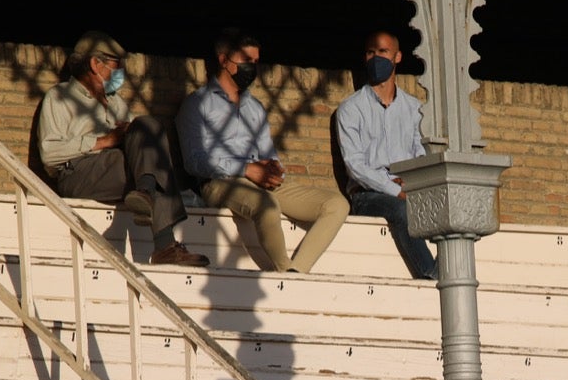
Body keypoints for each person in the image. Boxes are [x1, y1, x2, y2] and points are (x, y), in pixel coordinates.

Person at [177, 28, 349, 273]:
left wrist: (273, 168)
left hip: (261, 180)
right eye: (246, 61)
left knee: (336, 204)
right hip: (220, 181)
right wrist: (246, 169)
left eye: (256, 62)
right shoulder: (197, 104)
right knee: (267, 207)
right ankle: (283, 270)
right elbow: (194, 160)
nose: (252, 68)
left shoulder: (255, 107)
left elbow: (268, 152)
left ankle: (296, 272)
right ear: (224, 60)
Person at [37, 31, 208, 268]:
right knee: (155, 165)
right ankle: (164, 239)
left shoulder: (116, 101)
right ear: (96, 64)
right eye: (116, 66)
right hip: (80, 173)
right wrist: (105, 141)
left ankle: (146, 193)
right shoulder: (59, 96)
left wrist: (131, 133)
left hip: (120, 168)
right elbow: (49, 153)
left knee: (148, 125)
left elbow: (141, 143)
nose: (120, 73)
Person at [332, 30, 437, 280]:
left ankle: (451, 266)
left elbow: (419, 155)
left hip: (407, 190)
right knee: (401, 210)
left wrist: (409, 184)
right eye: (370, 52)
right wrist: (394, 188)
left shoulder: (414, 109)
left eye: (383, 52)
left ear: (397, 57)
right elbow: (354, 165)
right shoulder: (350, 109)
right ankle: (431, 273)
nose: (375, 57)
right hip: (367, 195)